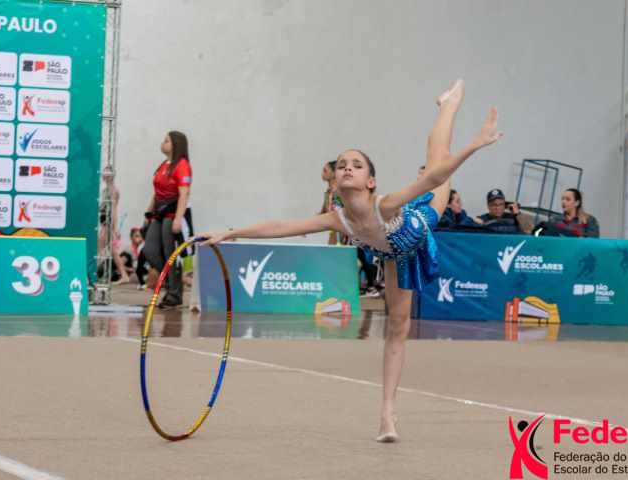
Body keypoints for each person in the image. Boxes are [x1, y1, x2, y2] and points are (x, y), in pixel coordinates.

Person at [199, 80, 502, 442]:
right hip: (394, 254)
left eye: (357, 165)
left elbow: (433, 178)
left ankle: (448, 104)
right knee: (397, 329)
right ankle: (387, 414)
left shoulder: (385, 205)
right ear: (335, 179)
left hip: (421, 220)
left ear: (371, 180)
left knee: (439, 160)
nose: (347, 168)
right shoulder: (337, 218)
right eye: (342, 164)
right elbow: (281, 226)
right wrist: (230, 232)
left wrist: (475, 144)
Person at [142, 131, 192, 308]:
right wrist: (148, 213)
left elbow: (184, 194)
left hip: (172, 214)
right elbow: (156, 193)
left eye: (167, 141)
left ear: (176, 145)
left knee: (170, 253)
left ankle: (174, 294)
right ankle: (172, 281)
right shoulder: (164, 165)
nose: (163, 143)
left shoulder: (182, 165)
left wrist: (178, 219)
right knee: (150, 250)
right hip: (159, 213)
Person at [97, 170, 131, 284]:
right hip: (104, 222)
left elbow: (114, 209)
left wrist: (114, 228)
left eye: (106, 173)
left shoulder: (113, 191)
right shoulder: (105, 190)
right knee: (112, 251)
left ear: (111, 176)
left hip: (108, 223)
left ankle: (96, 273)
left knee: (100, 247)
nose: (103, 175)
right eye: (103, 173)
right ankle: (123, 275)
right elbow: (103, 207)